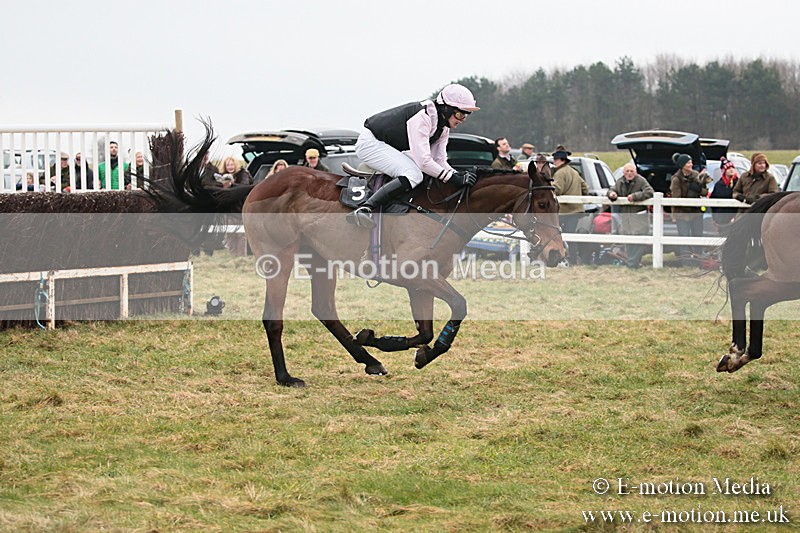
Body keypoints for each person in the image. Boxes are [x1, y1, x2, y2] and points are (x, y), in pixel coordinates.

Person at [346, 83, 480, 229]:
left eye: (466, 116)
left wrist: (458, 175)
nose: (462, 120)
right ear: (446, 108)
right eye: (460, 114)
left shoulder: (443, 128)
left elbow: (440, 160)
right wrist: (452, 178)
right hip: (370, 143)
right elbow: (424, 162)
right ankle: (365, 208)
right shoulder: (423, 116)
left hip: (388, 145)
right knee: (413, 174)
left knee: (423, 172)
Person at [607, 162, 654, 268]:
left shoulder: (641, 180)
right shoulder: (620, 182)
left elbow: (650, 192)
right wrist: (612, 194)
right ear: (623, 173)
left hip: (638, 216)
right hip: (626, 217)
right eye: (627, 171)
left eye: (631, 171)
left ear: (635, 172)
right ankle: (634, 264)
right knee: (628, 240)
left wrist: (635, 196)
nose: (629, 173)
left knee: (640, 240)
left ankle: (632, 263)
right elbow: (612, 190)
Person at [670, 153, 710, 267]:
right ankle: (686, 262)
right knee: (684, 237)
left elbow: (705, 192)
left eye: (691, 162)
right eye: (688, 162)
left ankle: (698, 261)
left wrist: (698, 189)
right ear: (683, 165)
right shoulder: (676, 179)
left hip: (696, 213)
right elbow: (676, 199)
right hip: (682, 214)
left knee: (698, 235)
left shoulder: (696, 175)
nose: (691, 164)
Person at [551, 146, 588, 265]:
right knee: (571, 236)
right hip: (575, 209)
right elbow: (585, 188)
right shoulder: (574, 172)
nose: (554, 161)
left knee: (555, 234)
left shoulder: (560, 173)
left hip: (564, 210)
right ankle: (573, 259)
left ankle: (561, 258)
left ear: (561, 160)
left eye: (556, 159)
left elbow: (557, 190)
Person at [709, 157, 738, 236]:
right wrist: (715, 218)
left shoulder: (738, 183)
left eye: (732, 168)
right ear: (723, 171)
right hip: (721, 219)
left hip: (736, 218)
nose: (731, 170)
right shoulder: (719, 185)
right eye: (728, 168)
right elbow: (713, 201)